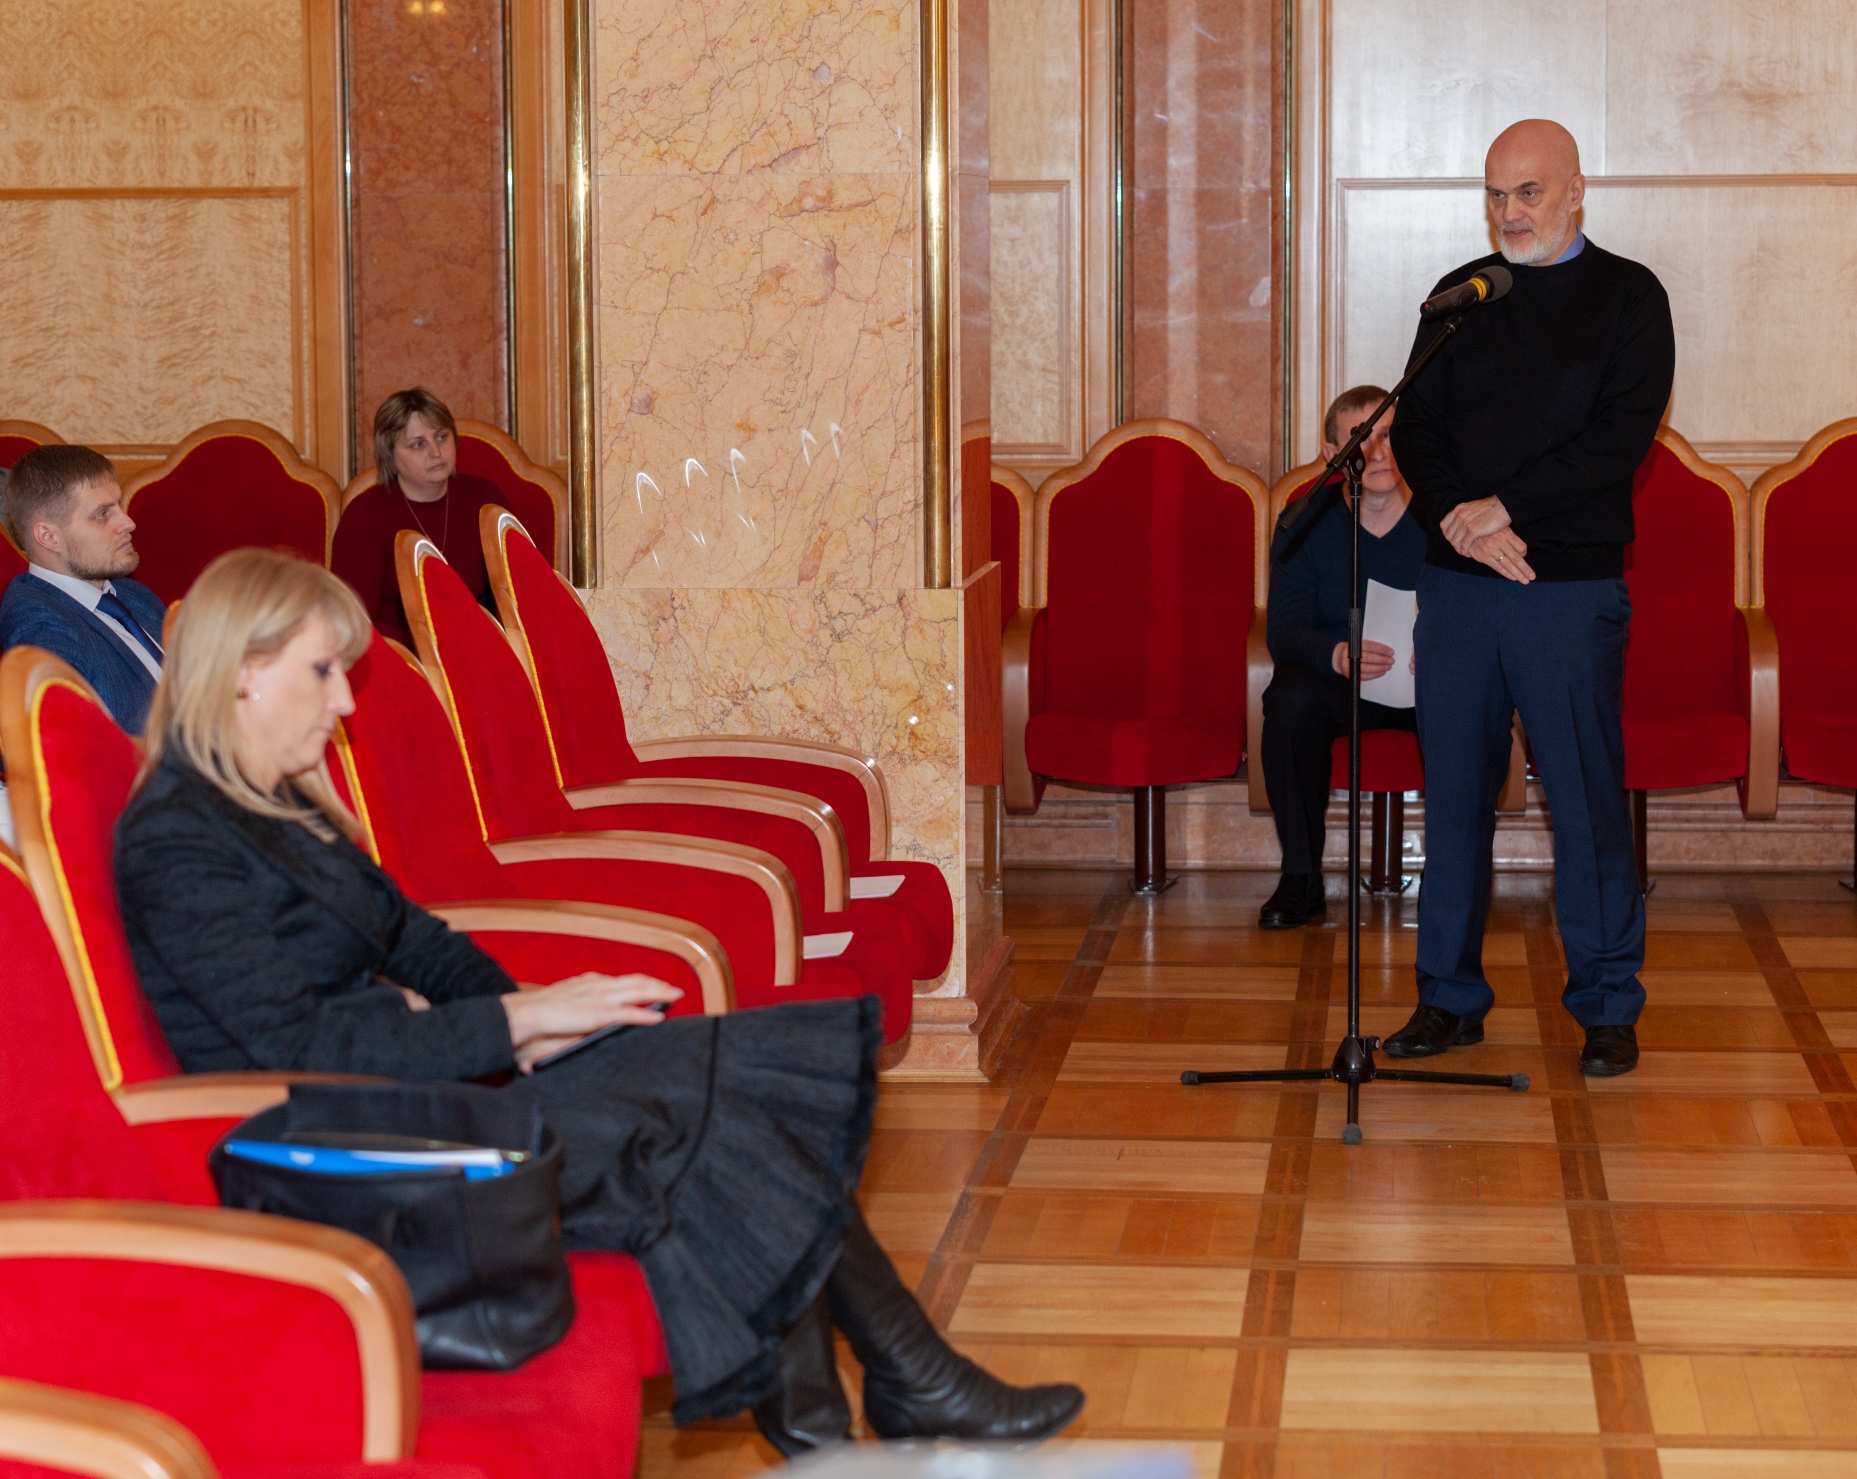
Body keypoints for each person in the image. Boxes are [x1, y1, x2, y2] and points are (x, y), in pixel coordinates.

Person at [112, 549, 1083, 1455]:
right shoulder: (177, 839)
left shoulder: (278, 805)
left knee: (716, 1080)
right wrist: (517, 1024)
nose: (343, 701)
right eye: (323, 671)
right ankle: (884, 1394)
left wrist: (530, 1016)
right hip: (338, 1156)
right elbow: (300, 1046)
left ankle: (848, 1416)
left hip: (403, 1097)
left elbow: (418, 941)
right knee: (715, 1109)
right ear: (243, 672)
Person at [1387, 119, 1674, 1077]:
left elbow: (1619, 438)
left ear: (1576, 190)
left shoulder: (1629, 296)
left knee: (1584, 805)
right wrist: (1461, 521)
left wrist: (1501, 507)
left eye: (1528, 192)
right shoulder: (1459, 298)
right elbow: (1414, 429)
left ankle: (1606, 1004)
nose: (1508, 212)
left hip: (1567, 591)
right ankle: (1447, 998)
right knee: (1453, 800)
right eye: (1495, 194)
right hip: (1459, 588)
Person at [1257, 389, 1425, 929]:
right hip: (1339, 679)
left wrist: (1443, 648)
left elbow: (1481, 609)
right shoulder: (1306, 517)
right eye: (1361, 440)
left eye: (1388, 435)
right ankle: (1301, 878)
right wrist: (1335, 654)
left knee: (1478, 701)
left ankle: (1455, 877)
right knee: (1289, 699)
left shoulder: (1442, 513)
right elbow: (1283, 631)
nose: (1378, 453)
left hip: (1424, 680)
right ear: (1333, 455)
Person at [0, 444, 166, 734]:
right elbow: (79, 748)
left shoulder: (133, 594)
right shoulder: (40, 627)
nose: (128, 523)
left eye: (118, 505)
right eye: (102, 514)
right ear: (48, 537)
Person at [332, 388, 503, 647]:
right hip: (398, 654)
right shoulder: (365, 515)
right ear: (390, 456)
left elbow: (522, 589)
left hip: (477, 648)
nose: (436, 452)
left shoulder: (485, 498)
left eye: (442, 437)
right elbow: (353, 620)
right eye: (418, 444)